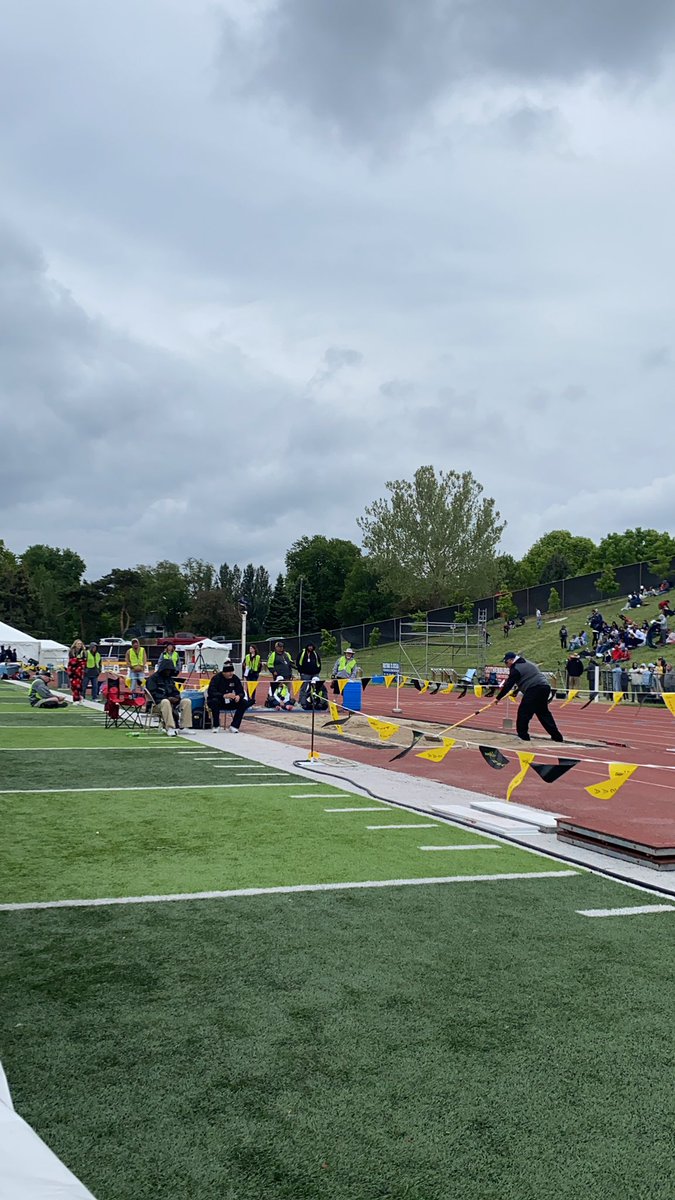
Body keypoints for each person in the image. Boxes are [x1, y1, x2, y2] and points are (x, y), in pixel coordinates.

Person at [495, 651, 563, 742]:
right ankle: (557, 737)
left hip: (534, 689)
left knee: (524, 712)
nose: (506, 665)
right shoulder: (527, 662)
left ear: (511, 660)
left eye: (506, 662)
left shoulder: (515, 668)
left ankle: (523, 736)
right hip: (544, 687)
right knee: (543, 713)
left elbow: (508, 685)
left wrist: (498, 698)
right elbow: (527, 678)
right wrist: (517, 691)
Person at [145, 661, 192, 736]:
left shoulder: (169, 679)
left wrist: (177, 697)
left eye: (170, 670)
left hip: (172, 703)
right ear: (162, 669)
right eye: (167, 670)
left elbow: (175, 691)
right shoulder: (152, 679)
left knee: (187, 701)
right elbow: (153, 694)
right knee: (165, 701)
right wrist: (167, 698)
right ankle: (170, 727)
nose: (168, 672)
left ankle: (184, 727)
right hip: (156, 705)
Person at [207, 661, 247, 732]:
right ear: (224, 672)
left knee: (243, 702)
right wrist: (223, 695)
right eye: (229, 672)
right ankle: (216, 725)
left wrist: (239, 696)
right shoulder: (216, 678)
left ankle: (234, 726)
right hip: (218, 701)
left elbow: (241, 692)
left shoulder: (235, 678)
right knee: (214, 701)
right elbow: (211, 692)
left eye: (232, 671)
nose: (231, 673)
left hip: (230, 701)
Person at [297, 642, 322, 707]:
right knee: (304, 688)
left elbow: (319, 662)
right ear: (307, 647)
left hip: (315, 674)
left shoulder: (315, 654)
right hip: (305, 674)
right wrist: (301, 671)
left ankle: (316, 701)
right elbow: (298, 662)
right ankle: (301, 702)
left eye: (311, 646)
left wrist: (318, 670)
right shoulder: (302, 653)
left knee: (316, 688)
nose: (310, 648)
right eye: (309, 646)